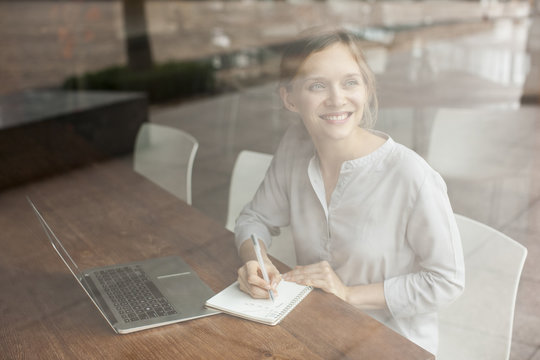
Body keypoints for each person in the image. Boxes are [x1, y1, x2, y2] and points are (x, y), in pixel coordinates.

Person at [234, 28, 465, 355]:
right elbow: (255, 218)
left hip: (391, 347)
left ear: (367, 89)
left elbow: (447, 281)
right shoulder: (295, 147)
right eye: (317, 85)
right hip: (316, 332)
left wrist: (348, 294)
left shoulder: (410, 175)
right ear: (289, 98)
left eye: (350, 82)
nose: (337, 98)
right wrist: (254, 262)